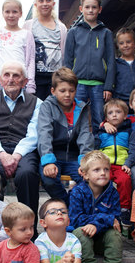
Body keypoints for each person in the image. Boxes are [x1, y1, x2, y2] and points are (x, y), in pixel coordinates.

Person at [0, 61, 42, 224]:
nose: (11, 79)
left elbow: (33, 134)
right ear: (0, 79)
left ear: (25, 81)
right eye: (7, 75)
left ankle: (27, 229)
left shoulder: (37, 103)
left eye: (16, 76)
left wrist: (17, 155)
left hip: (24, 149)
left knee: (26, 173)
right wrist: (2, 154)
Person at [68, 150, 123, 263]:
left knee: (115, 233)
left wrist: (97, 224)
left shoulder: (112, 192)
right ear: (85, 175)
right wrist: (103, 220)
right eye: (97, 170)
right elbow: (77, 219)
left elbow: (116, 218)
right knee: (80, 231)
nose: (103, 173)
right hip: (85, 241)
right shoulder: (77, 192)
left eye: (106, 169)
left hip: (103, 240)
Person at [38, 67, 94, 204]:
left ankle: (76, 203)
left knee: (89, 178)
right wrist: (48, 161)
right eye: (62, 91)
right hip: (54, 155)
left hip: (75, 157)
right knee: (48, 179)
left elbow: (85, 136)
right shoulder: (47, 106)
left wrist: (84, 163)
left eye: (71, 90)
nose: (67, 95)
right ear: (53, 91)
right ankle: (67, 204)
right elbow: (44, 133)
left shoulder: (82, 108)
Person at [64, 0, 115, 133]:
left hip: (99, 85)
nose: (90, 10)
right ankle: (75, 149)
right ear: (81, 9)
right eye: (87, 7)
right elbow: (67, 60)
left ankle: (99, 149)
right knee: (76, 117)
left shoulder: (106, 33)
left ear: (99, 9)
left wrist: (108, 86)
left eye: (94, 7)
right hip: (78, 83)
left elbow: (111, 61)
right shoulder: (73, 32)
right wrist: (69, 83)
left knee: (99, 118)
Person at [97, 98, 135, 226]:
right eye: (110, 113)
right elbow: (95, 149)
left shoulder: (129, 132)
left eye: (118, 112)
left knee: (125, 180)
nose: (114, 115)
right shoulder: (101, 132)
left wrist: (127, 164)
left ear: (125, 115)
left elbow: (133, 150)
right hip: (105, 166)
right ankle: (102, 207)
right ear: (106, 118)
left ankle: (124, 209)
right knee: (102, 182)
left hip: (121, 165)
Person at [23, 0, 68, 100]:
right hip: (36, 76)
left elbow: (64, 52)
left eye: (48, 0)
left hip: (55, 76)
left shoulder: (61, 27)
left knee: (54, 107)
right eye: (41, 1)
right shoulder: (29, 25)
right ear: (35, 4)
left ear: (53, 3)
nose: (45, 4)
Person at [0, 0, 36, 93]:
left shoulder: (27, 34)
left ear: (20, 13)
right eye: (7, 12)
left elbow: (30, 60)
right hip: (0, 80)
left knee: (20, 107)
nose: (11, 15)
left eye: (14, 12)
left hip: (20, 80)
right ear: (3, 13)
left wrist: (30, 84)